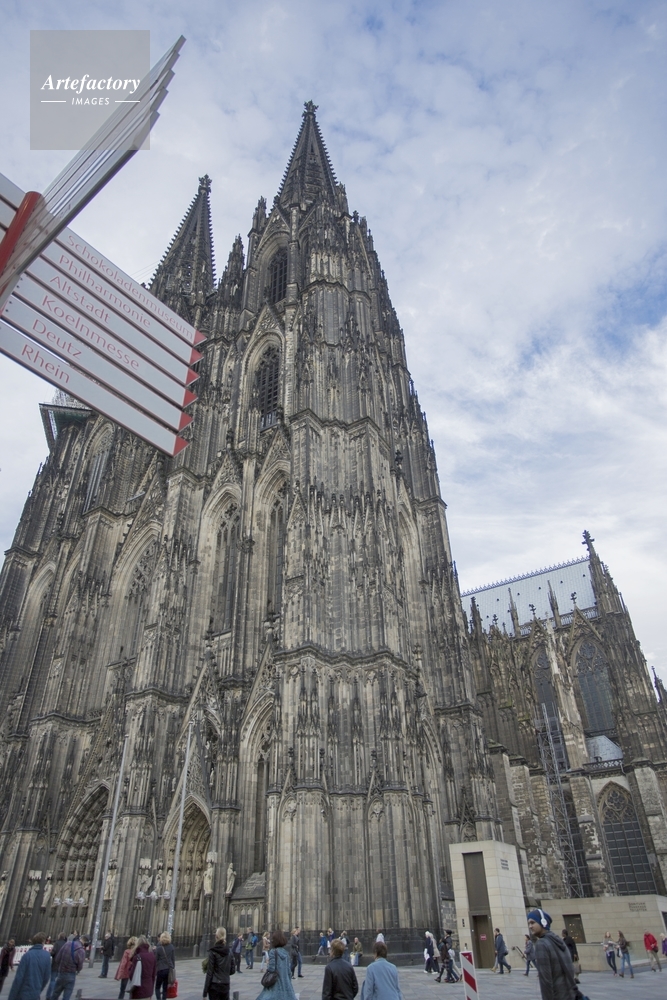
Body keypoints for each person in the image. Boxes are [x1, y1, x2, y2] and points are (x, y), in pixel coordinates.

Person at [527, 908, 576, 1000]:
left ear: (543, 922)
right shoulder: (558, 940)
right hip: (569, 994)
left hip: (557, 995)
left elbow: (545, 980)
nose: (530, 926)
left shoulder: (541, 944)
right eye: (529, 923)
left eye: (532, 923)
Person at [7, 933, 51, 1000]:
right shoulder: (47, 956)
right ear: (43, 942)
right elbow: (46, 977)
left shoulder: (27, 955)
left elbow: (19, 978)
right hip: (35, 994)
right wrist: (38, 990)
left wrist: (12, 997)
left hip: (23, 994)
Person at [255, 930, 296, 1000]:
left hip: (276, 982)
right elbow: (288, 971)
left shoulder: (273, 952)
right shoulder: (286, 953)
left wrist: (268, 964)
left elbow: (271, 968)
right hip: (285, 982)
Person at [203, 926, 235, 1000]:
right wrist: (224, 974)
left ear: (216, 936)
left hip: (214, 986)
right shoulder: (229, 952)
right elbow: (233, 970)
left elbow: (209, 973)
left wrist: (205, 992)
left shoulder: (213, 952)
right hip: (225, 985)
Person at [51, 932, 85, 1000]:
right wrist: (76, 969)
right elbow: (80, 967)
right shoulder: (81, 951)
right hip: (71, 974)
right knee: (66, 997)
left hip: (61, 973)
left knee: (55, 994)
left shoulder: (67, 944)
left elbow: (57, 959)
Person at [155, 932, 175, 1000]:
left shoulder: (158, 948)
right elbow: (173, 959)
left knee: (157, 987)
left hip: (160, 970)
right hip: (168, 969)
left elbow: (156, 960)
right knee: (165, 988)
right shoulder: (171, 947)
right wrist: (173, 969)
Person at [46, 933, 67, 1000]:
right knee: (58, 981)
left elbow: (53, 952)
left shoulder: (57, 943)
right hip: (62, 965)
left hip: (55, 964)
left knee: (52, 980)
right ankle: (55, 996)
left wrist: (50, 953)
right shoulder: (66, 944)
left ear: (59, 937)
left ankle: (49, 996)